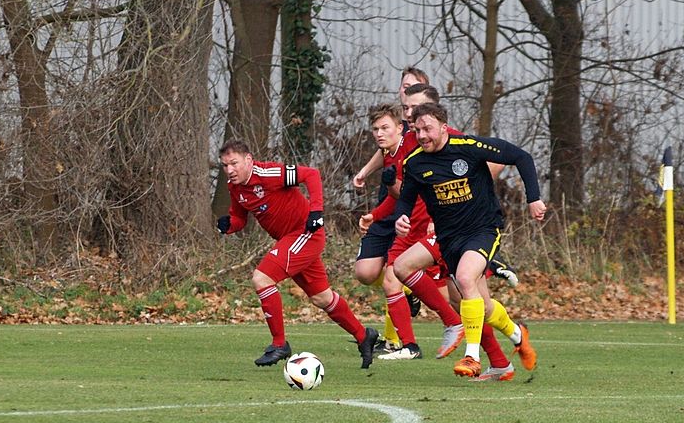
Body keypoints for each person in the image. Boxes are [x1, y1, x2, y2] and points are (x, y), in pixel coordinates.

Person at [393, 102, 545, 378]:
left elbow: (521, 157)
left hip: (482, 229)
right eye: (417, 130)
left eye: (428, 129)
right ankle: (516, 334)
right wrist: (401, 217)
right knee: (483, 306)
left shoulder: (469, 146)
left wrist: (533, 198)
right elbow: (406, 198)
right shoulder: (415, 162)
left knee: (464, 278)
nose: (422, 135)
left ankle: (472, 357)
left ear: (443, 127)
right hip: (449, 239)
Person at [216, 140, 379, 368]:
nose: (230, 170)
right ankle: (364, 336)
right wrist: (229, 225)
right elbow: (240, 218)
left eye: (234, 163)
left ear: (249, 160)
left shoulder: (269, 174)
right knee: (322, 298)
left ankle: (279, 344)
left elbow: (311, 174)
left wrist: (316, 212)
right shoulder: (235, 187)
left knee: (262, 278)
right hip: (290, 240)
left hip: (305, 233)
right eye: (225, 165)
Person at [351, 67, 430, 354]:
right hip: (389, 205)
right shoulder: (394, 128)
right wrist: (366, 172)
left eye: (413, 87)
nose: (406, 91)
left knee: (395, 275)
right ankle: (408, 293)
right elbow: (384, 150)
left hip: (411, 212)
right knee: (365, 272)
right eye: (404, 86)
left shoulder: (423, 131)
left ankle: (399, 341)